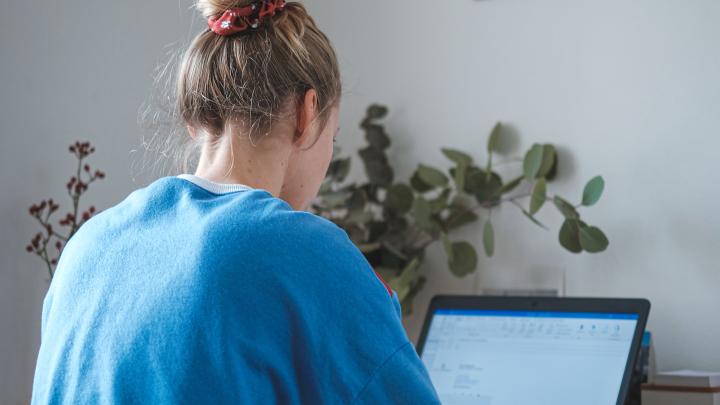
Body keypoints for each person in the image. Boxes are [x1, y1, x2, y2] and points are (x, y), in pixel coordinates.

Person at [31, 1, 440, 403]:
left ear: (194, 119)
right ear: (307, 113)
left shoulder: (86, 248)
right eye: (331, 138)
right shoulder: (307, 255)